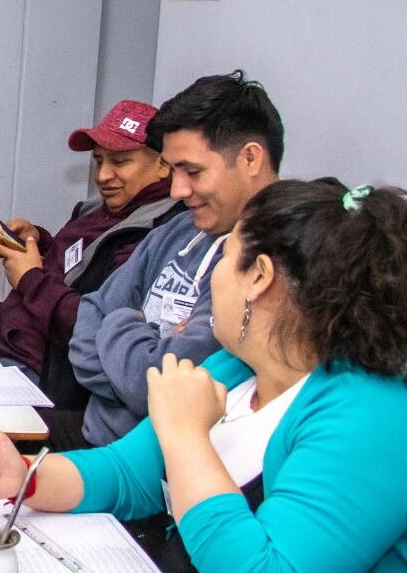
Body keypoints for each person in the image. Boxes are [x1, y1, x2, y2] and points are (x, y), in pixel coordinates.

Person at [0, 178, 407, 573]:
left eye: (225, 257)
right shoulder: (236, 370)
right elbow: (126, 472)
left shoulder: (373, 414)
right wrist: (26, 476)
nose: (212, 276)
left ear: (259, 277)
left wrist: (189, 438)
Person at [68, 72, 283, 446]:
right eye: (173, 169)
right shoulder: (180, 228)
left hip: (161, 466)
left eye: (193, 171)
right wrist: (141, 359)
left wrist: (120, 323)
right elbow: (85, 331)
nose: (177, 190)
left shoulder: (265, 259)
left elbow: (159, 388)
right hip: (105, 442)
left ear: (250, 158)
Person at [0, 101, 180, 445]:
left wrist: (29, 280)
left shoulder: (151, 235)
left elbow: (91, 325)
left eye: (121, 161)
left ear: (163, 164)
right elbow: (78, 267)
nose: (103, 176)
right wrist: (40, 243)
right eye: (99, 161)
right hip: (0, 342)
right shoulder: (98, 210)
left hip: (36, 374)